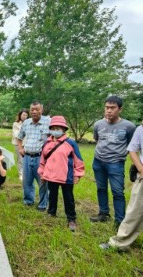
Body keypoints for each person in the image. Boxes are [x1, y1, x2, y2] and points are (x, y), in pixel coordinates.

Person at [90, 96, 135, 228]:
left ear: (120, 109)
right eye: (107, 107)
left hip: (116, 164)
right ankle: (103, 213)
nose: (109, 111)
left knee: (117, 192)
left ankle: (119, 220)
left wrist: (119, 155)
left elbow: (132, 145)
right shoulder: (98, 124)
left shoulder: (129, 126)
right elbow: (97, 140)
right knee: (101, 188)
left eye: (112, 108)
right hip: (98, 161)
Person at [100, 123, 143, 251]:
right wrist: (140, 169)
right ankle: (120, 243)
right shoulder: (141, 129)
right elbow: (132, 150)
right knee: (135, 211)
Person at [38, 116, 85, 231]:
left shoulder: (70, 143)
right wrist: (42, 173)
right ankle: (51, 212)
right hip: (51, 176)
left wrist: (77, 175)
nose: (56, 130)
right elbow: (43, 160)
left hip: (66, 176)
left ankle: (71, 219)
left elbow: (78, 160)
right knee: (52, 195)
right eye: (54, 128)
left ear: (64, 130)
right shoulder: (47, 143)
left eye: (58, 128)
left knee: (68, 198)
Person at [17, 101, 50, 210]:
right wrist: (20, 148)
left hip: (41, 158)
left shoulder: (48, 122)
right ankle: (28, 201)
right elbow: (19, 138)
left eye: (37, 109)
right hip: (27, 156)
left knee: (43, 182)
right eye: (32, 110)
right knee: (27, 181)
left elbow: (56, 136)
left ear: (42, 110)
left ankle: (42, 204)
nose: (34, 112)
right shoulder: (26, 122)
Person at [12, 109, 29, 181]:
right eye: (23, 115)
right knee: (20, 159)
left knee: (27, 159)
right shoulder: (16, 124)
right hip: (18, 144)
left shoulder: (29, 123)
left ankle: (27, 173)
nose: (24, 116)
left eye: (26, 115)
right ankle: (21, 174)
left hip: (27, 144)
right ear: (20, 115)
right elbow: (16, 135)